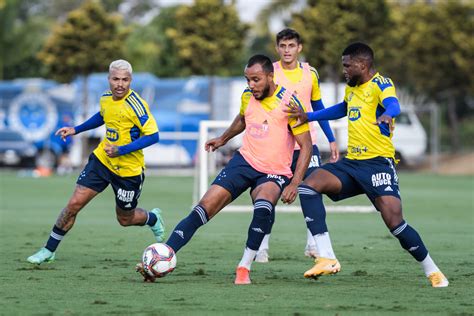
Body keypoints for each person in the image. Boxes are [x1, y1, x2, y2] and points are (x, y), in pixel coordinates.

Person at [136, 54, 312, 284]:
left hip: (275, 171)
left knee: (263, 207)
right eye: (248, 79)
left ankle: (244, 267)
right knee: (203, 207)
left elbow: (306, 145)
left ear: (271, 76)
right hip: (244, 161)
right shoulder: (248, 95)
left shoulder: (289, 103)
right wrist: (223, 138)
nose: (251, 85)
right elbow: (242, 118)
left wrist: (295, 182)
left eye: (256, 79)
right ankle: (164, 256)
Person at [285, 42, 448, 287]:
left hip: (378, 166)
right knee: (309, 187)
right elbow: (343, 108)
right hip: (352, 163)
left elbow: (393, 104)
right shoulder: (352, 89)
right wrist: (309, 116)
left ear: (363, 64)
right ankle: (326, 257)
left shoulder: (381, 84)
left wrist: (388, 114)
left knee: (395, 223)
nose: (345, 71)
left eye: (348, 66)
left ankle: (433, 270)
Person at [27, 59, 165, 264]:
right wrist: (76, 129)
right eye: (116, 79)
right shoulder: (106, 98)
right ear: (109, 79)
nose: (120, 84)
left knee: (125, 219)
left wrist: (121, 150)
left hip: (128, 170)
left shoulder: (137, 105)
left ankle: (152, 218)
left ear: (131, 80)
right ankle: (48, 250)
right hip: (102, 161)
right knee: (74, 203)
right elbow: (102, 116)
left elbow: (153, 136)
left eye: (125, 80)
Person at [255, 28, 339, 263]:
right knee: (267, 193)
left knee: (312, 190)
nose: (287, 50)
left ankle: (313, 245)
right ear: (277, 48)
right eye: (283, 46)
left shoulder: (310, 73)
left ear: (299, 48)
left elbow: (318, 107)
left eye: (291, 46)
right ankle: (261, 246)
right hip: (277, 146)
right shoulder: (270, 72)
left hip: (306, 144)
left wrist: (331, 138)